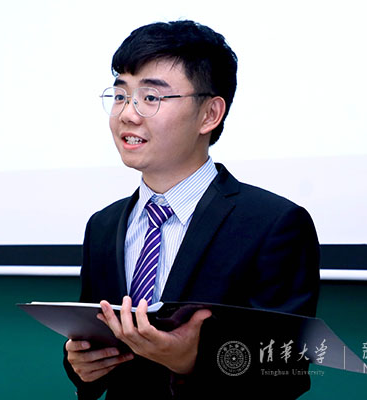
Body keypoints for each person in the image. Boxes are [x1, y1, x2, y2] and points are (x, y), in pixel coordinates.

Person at [63, 20, 320, 399]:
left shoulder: (273, 224)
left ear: (210, 114)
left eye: (151, 97)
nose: (127, 114)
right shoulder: (103, 225)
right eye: (120, 95)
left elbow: (289, 369)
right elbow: (93, 337)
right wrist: (81, 365)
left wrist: (193, 361)